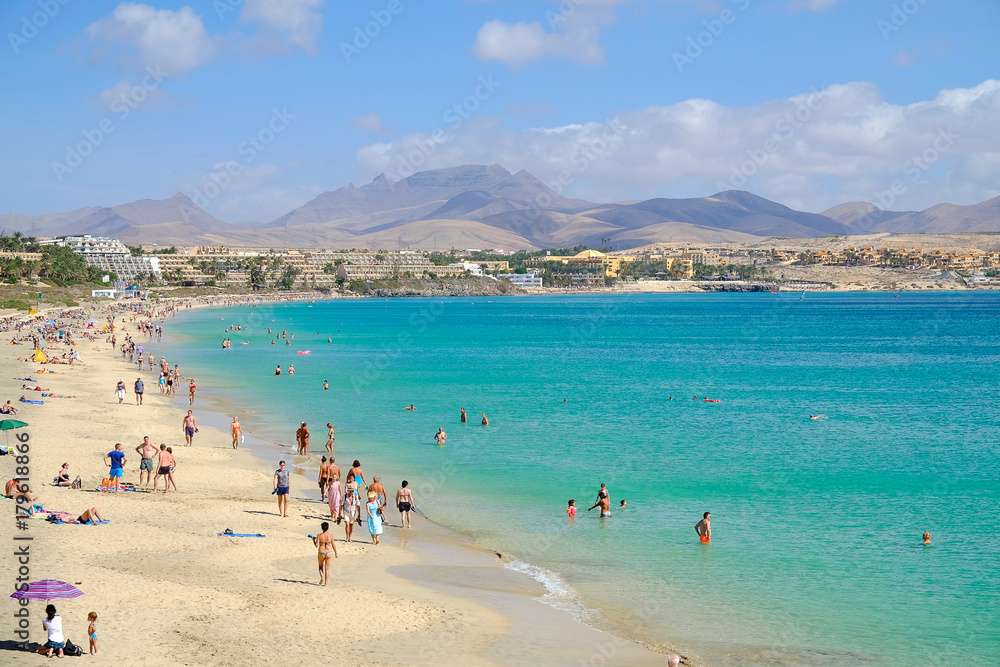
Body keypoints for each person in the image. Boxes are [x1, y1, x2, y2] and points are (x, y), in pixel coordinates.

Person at [313, 521, 338, 585]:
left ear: (322, 528)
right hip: (329, 552)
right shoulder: (330, 535)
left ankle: (322, 578)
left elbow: (316, 546)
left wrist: (313, 540)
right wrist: (336, 553)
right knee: (327, 569)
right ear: (328, 527)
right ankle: (326, 583)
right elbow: (333, 544)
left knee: (320, 566)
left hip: (321, 552)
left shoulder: (319, 535)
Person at [343, 472, 360, 541]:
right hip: (346, 508)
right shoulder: (347, 484)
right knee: (347, 524)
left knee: (351, 524)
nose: (351, 478)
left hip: (353, 507)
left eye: (352, 477)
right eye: (350, 477)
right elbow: (345, 491)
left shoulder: (356, 483)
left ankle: (350, 537)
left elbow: (357, 490)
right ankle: (347, 537)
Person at [326, 456, 343, 523]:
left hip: (331, 479)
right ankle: (334, 513)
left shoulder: (329, 467)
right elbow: (340, 474)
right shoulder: (337, 467)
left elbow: (328, 475)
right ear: (334, 461)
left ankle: (333, 514)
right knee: (335, 498)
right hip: (336, 479)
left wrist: (327, 482)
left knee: (331, 496)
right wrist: (338, 479)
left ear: (330, 461)